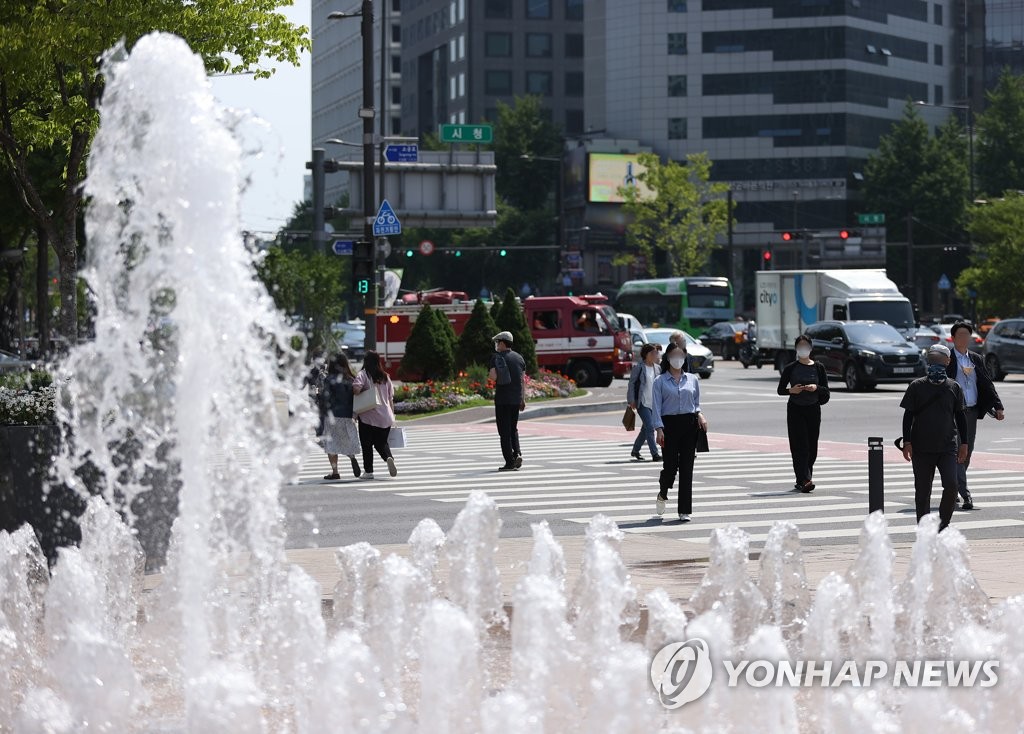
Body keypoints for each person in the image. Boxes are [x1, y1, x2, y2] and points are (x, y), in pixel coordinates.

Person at [899, 344, 969, 531]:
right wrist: (907, 442)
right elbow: (908, 416)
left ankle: (942, 525)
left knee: (952, 485)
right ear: (928, 360)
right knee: (922, 491)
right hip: (921, 447)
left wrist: (964, 444)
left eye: (941, 358)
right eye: (933, 358)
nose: (937, 361)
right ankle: (923, 527)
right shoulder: (917, 386)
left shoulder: (954, 387)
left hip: (947, 446)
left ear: (948, 361)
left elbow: (960, 417)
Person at [945, 320, 1005, 510]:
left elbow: (987, 383)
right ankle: (964, 494)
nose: (964, 338)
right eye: (960, 335)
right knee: (957, 451)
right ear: (953, 338)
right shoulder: (948, 358)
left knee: (967, 451)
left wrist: (998, 405)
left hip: (971, 411)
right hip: (954, 412)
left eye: (967, 335)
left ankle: (952, 488)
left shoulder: (976, 359)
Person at [652, 341, 708, 522]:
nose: (677, 359)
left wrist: (700, 415)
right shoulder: (659, 381)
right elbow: (656, 407)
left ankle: (684, 510)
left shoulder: (693, 379)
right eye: (674, 356)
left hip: (689, 425)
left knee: (687, 468)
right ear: (668, 358)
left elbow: (696, 403)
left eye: (681, 356)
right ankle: (663, 492)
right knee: (670, 468)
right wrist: (659, 429)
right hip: (669, 426)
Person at [776, 334, 830, 493]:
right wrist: (791, 390)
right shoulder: (790, 368)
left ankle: (805, 478)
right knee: (800, 446)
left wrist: (816, 388)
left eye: (806, 346)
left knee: (812, 446)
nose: (803, 349)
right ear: (796, 349)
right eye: (800, 346)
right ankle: (804, 479)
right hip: (795, 409)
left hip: (813, 409)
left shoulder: (819, 367)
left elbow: (826, 391)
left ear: (811, 348)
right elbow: (780, 390)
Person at [352, 350, 398, 480]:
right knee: (381, 443)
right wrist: (393, 417)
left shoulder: (363, 374)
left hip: (368, 416)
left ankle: (369, 471)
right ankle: (388, 457)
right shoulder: (385, 376)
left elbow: (356, 390)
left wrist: (360, 389)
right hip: (386, 416)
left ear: (365, 361)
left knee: (367, 445)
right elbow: (390, 399)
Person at [489, 330, 527, 471]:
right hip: (516, 399)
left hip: (503, 400)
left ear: (503, 343)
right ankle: (517, 453)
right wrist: (522, 399)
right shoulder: (519, 358)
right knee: (513, 428)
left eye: (498, 342)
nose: (497, 345)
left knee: (504, 432)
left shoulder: (496, 357)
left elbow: (493, 377)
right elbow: (522, 381)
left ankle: (509, 462)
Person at [319, 353, 361, 480]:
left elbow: (325, 399)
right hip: (348, 416)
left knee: (331, 445)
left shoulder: (329, 379)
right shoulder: (351, 379)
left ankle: (335, 471)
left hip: (332, 416)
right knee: (346, 440)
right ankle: (352, 457)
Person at [627, 343, 663, 462]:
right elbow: (631, 383)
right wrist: (631, 400)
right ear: (646, 354)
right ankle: (655, 454)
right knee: (650, 427)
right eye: (652, 353)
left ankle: (635, 450)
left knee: (645, 429)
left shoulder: (657, 368)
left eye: (656, 353)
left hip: (655, 403)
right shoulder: (639, 367)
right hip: (642, 402)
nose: (655, 355)